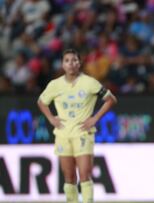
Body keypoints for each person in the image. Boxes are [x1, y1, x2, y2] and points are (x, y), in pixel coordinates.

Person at [37, 49, 117, 203]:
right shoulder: (55, 85)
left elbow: (111, 99)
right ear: (62, 64)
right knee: (69, 177)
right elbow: (41, 102)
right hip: (62, 134)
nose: (71, 64)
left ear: (79, 63)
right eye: (67, 60)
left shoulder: (89, 82)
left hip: (83, 134)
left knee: (85, 174)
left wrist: (95, 118)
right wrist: (51, 119)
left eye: (74, 60)